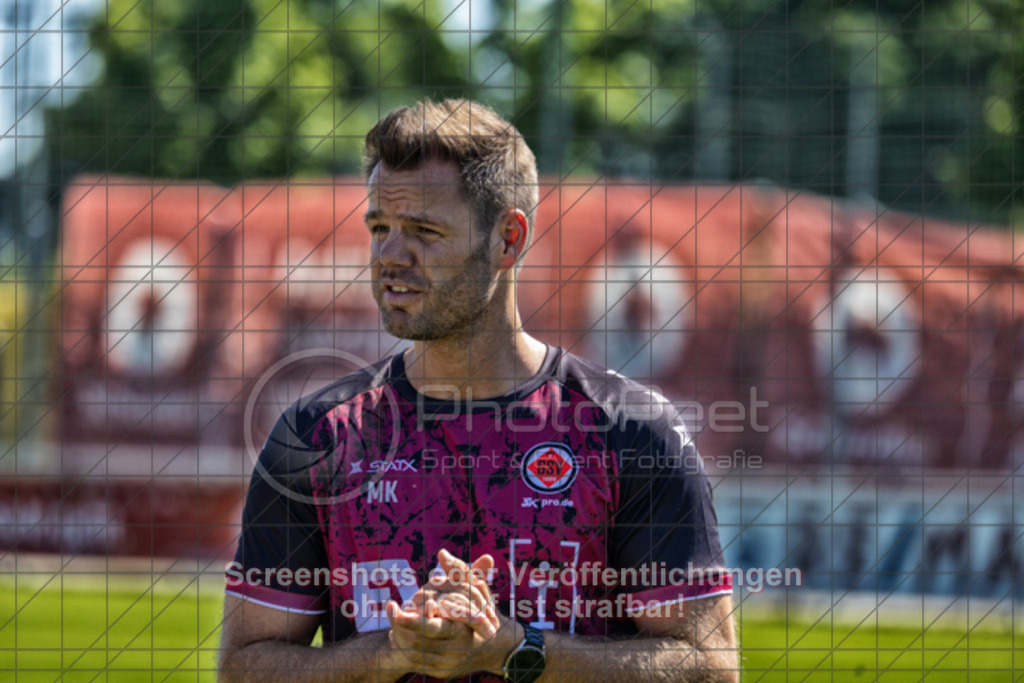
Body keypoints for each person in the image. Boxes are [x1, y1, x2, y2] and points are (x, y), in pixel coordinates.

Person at [218, 99, 739, 682]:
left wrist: (518, 650)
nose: (390, 256)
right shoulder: (317, 435)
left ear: (508, 239)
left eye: (424, 231)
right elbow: (245, 667)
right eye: (379, 228)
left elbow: (708, 668)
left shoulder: (630, 429)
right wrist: (389, 654)